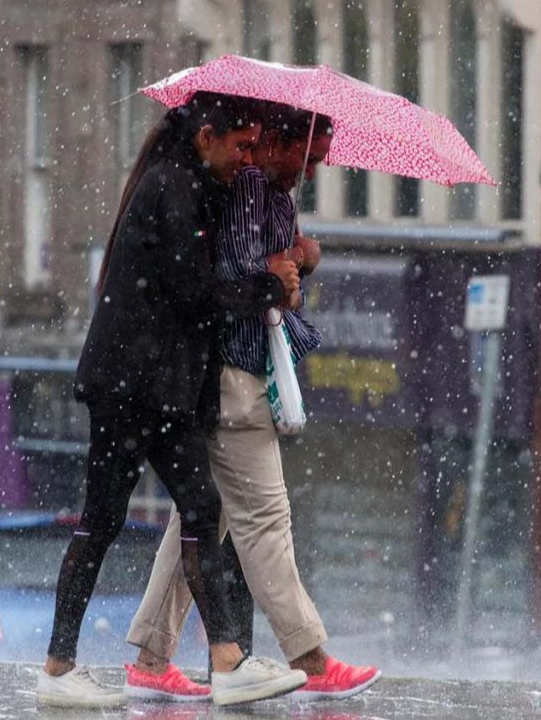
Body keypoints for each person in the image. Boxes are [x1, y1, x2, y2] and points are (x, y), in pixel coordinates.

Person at [36, 93, 308, 708]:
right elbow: (193, 291)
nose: (247, 157)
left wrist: (285, 251)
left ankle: (222, 658)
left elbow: (200, 277)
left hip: (149, 387)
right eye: (241, 145)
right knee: (112, 519)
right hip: (136, 388)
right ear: (207, 135)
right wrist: (268, 285)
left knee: (185, 511)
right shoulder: (172, 187)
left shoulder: (189, 185)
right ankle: (62, 669)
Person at [123, 103, 381, 703]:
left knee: (200, 520)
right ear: (277, 142)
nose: (310, 172)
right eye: (307, 158)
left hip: (232, 372)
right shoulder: (247, 188)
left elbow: (268, 270)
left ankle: (152, 657)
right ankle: (310, 657)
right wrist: (278, 272)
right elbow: (234, 277)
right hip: (233, 375)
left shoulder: (265, 191)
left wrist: (298, 258)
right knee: (265, 520)